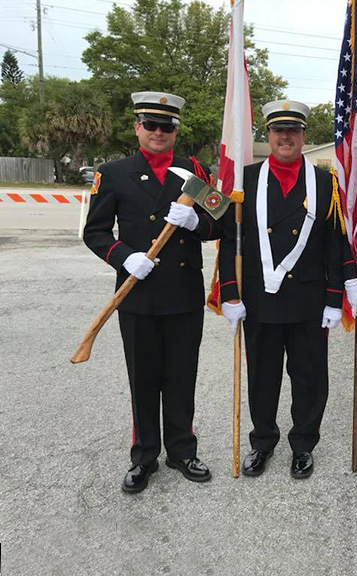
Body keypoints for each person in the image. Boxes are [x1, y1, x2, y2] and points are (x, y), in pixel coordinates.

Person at [84, 91, 219, 493]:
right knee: (143, 377)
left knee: (181, 376)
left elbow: (222, 224)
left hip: (182, 294)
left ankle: (181, 450)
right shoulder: (113, 173)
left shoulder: (194, 171)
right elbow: (94, 232)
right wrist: (124, 257)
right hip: (138, 295)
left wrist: (196, 222)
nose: (159, 132)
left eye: (167, 126)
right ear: (137, 127)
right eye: (151, 125)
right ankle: (144, 455)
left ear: (176, 130)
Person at [218, 100, 357, 479]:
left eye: (293, 131)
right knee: (262, 377)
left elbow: (335, 243)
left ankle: (303, 444)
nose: (286, 137)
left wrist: (335, 299)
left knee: (310, 379)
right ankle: (262, 442)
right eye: (279, 131)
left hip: (308, 301)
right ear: (268, 135)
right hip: (259, 298)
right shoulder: (244, 181)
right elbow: (229, 241)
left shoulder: (324, 181)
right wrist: (230, 294)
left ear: (302, 136)